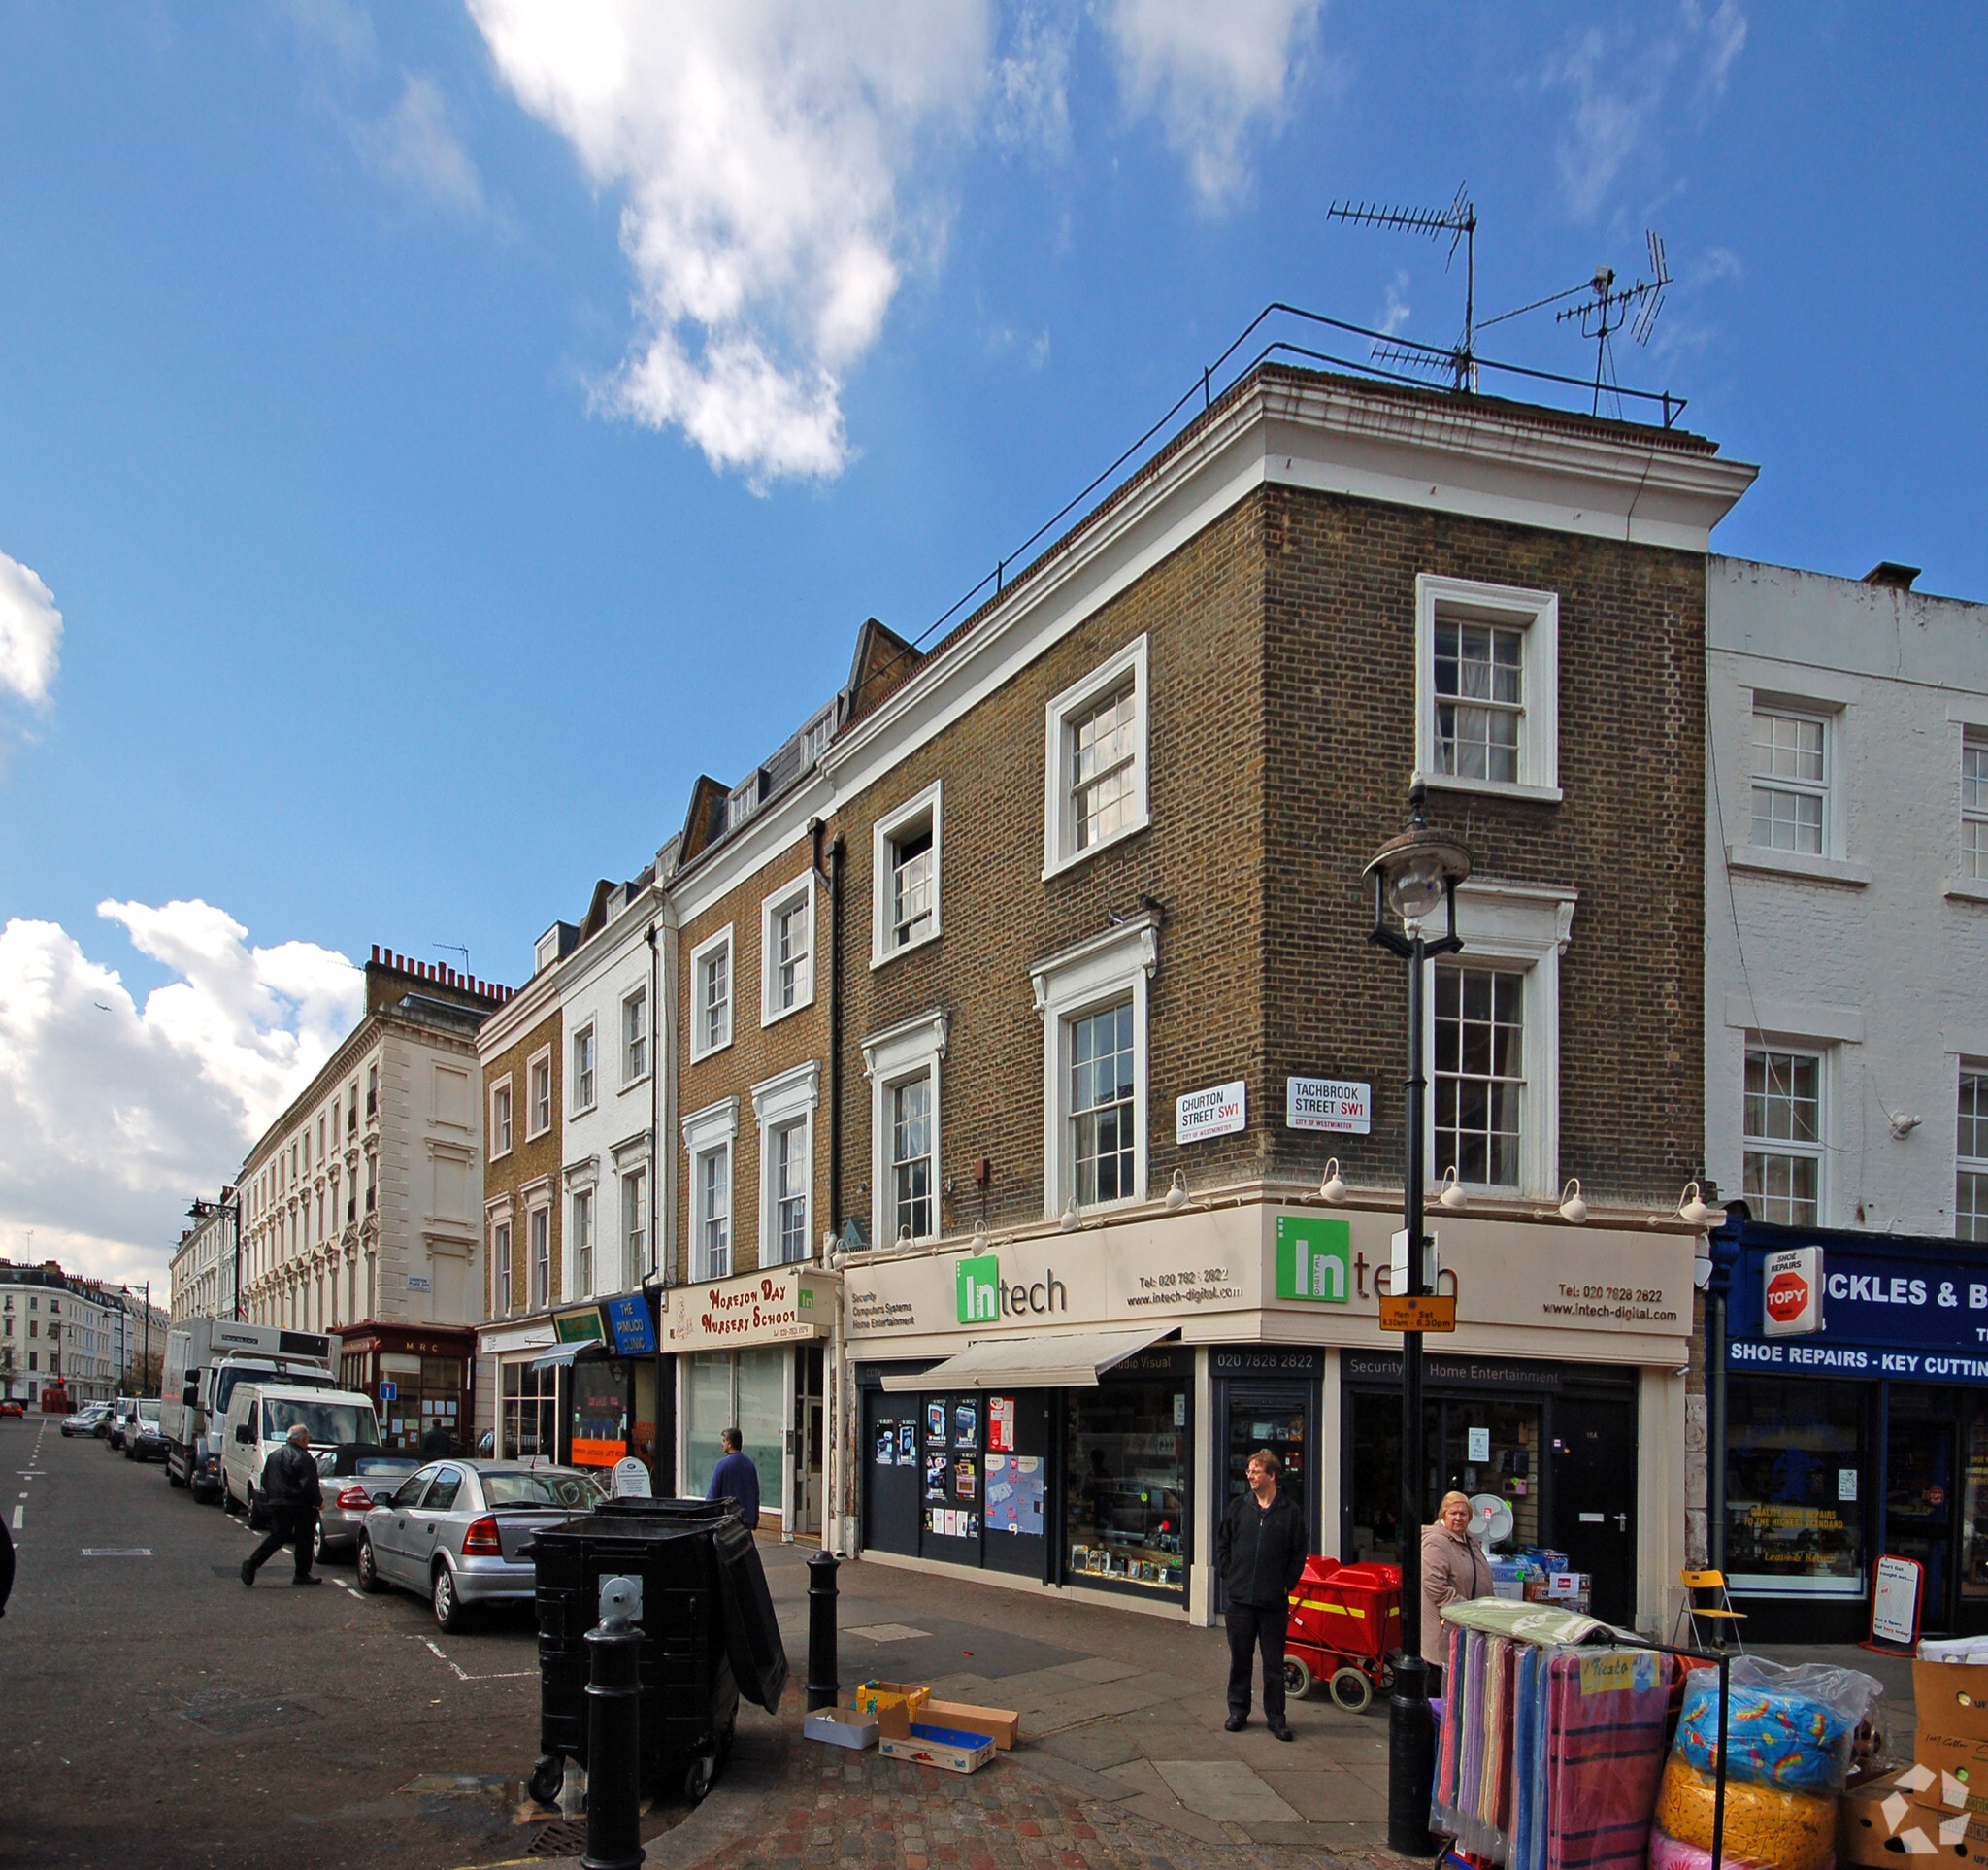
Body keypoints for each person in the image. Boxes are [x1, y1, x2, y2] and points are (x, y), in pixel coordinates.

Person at [1215, 1448, 1308, 1740]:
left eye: (1256, 1471)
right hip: (1240, 1600)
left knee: (1273, 1665)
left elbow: (1298, 1554)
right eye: (1249, 1471)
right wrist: (1229, 1575)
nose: (1250, 1476)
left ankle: (1276, 1718)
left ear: (1272, 1475)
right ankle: (1238, 1711)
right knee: (1239, 1660)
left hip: (1272, 1603)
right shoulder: (1238, 1507)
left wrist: (1285, 1584)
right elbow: (1223, 1543)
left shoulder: (1289, 1512)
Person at [240, 1422, 324, 1587]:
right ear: (302, 1439)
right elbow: (309, 1485)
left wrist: (273, 1496)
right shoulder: (304, 1458)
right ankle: (301, 1573)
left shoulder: (274, 1455)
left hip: (277, 1502)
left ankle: (252, 1564)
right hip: (299, 1504)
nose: (308, 1441)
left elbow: (264, 1479)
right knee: (304, 1539)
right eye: (307, 1438)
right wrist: (318, 1502)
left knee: (277, 1537)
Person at [1421, 1489, 1493, 1678]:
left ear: (1470, 1517)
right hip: (1447, 1630)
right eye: (1453, 1513)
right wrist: (1466, 1610)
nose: (1459, 1518)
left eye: (1463, 1513)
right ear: (1443, 1514)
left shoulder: (1470, 1540)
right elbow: (1435, 1586)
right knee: (1443, 1689)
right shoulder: (1436, 1542)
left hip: (1470, 1626)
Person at [707, 1426, 760, 1530]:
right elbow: (755, 1494)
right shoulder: (749, 1464)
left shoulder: (722, 1465)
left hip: (727, 1521)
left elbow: (712, 1495)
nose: (722, 1444)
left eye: (724, 1441)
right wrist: (754, 1519)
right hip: (745, 1520)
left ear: (730, 1443)